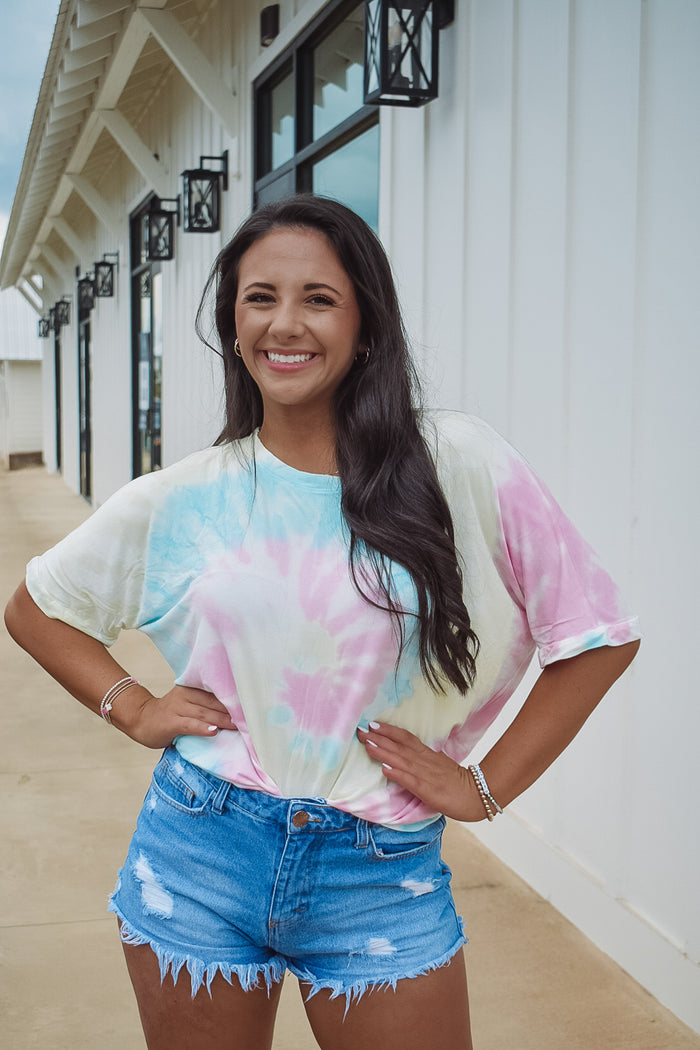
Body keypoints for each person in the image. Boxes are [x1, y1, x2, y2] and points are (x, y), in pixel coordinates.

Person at [4, 195, 640, 1050]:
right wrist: (134, 705)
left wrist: (485, 788)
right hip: (200, 853)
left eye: (319, 298)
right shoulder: (189, 494)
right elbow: (37, 608)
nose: (286, 324)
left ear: (367, 327)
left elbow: (597, 635)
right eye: (260, 297)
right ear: (233, 324)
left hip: (378, 868)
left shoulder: (458, 462)